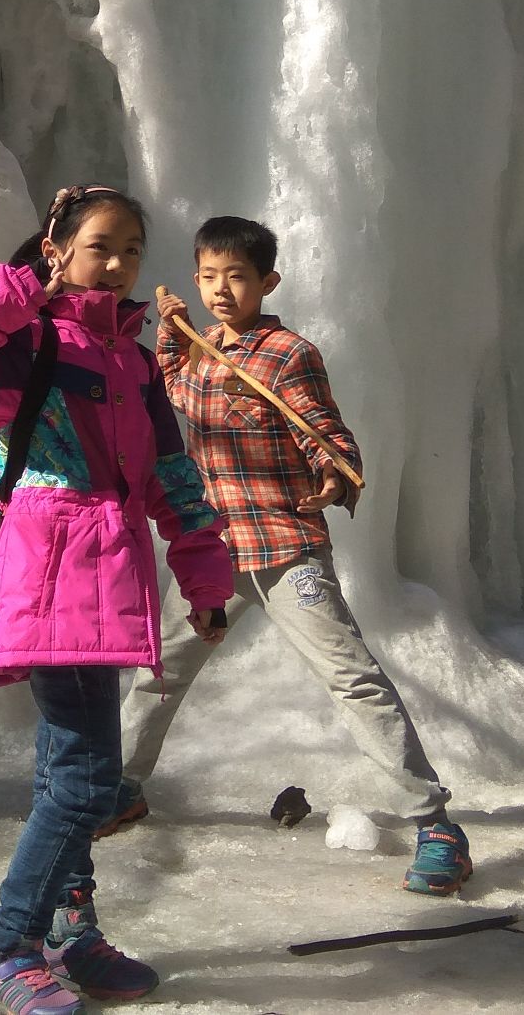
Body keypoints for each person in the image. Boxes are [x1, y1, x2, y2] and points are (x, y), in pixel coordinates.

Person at [0, 185, 235, 1014]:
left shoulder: (131, 359)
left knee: (68, 772)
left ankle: (69, 931)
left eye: (132, 246)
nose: (120, 262)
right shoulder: (27, 348)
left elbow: (168, 471)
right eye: (100, 245)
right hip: (52, 574)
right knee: (88, 784)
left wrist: (203, 573)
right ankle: (6, 949)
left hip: (114, 576)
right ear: (55, 247)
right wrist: (26, 286)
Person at [105, 213, 471, 896]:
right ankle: (123, 787)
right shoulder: (189, 351)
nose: (221, 290)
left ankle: (435, 824)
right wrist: (165, 337)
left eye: (237, 277)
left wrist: (333, 468)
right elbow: (161, 405)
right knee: (160, 670)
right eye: (209, 276)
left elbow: (322, 428)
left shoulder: (287, 355)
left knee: (351, 676)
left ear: (267, 282)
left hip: (283, 548)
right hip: (213, 554)